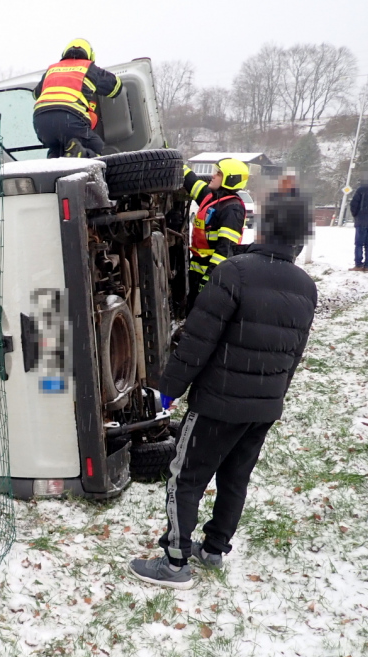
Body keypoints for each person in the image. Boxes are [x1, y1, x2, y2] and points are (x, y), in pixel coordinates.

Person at [128, 190, 318, 589]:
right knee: (235, 478)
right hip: (263, 408)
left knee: (186, 477)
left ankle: (175, 562)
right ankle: (214, 550)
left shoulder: (235, 271)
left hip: (218, 404)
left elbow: (198, 339)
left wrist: (171, 387)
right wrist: (273, 396)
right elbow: (294, 353)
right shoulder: (305, 285)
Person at [32, 39, 121, 158]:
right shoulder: (89, 68)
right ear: (90, 56)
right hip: (69, 119)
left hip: (41, 123)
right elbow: (116, 87)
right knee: (96, 145)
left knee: (57, 148)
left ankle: (54, 164)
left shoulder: (52, 69)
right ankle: (80, 154)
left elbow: (35, 94)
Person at [183, 159, 248, 305]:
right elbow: (192, 182)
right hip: (199, 270)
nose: (213, 175)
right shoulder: (212, 197)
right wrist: (175, 162)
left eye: (218, 173)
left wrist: (209, 280)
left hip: (211, 275)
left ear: (230, 179)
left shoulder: (232, 209)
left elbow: (225, 250)